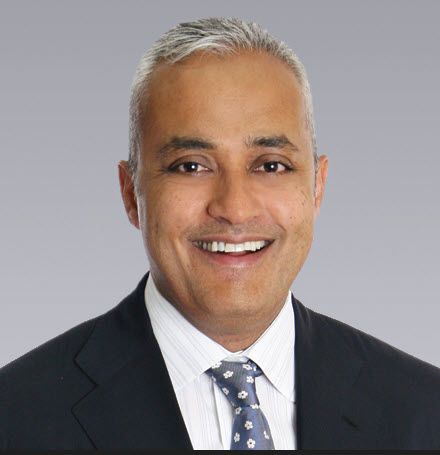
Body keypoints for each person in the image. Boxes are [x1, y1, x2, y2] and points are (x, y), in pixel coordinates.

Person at [0, 17, 439, 450]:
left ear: (317, 187)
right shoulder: (16, 419)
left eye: (271, 165)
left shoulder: (424, 409)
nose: (234, 208)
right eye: (191, 166)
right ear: (131, 193)